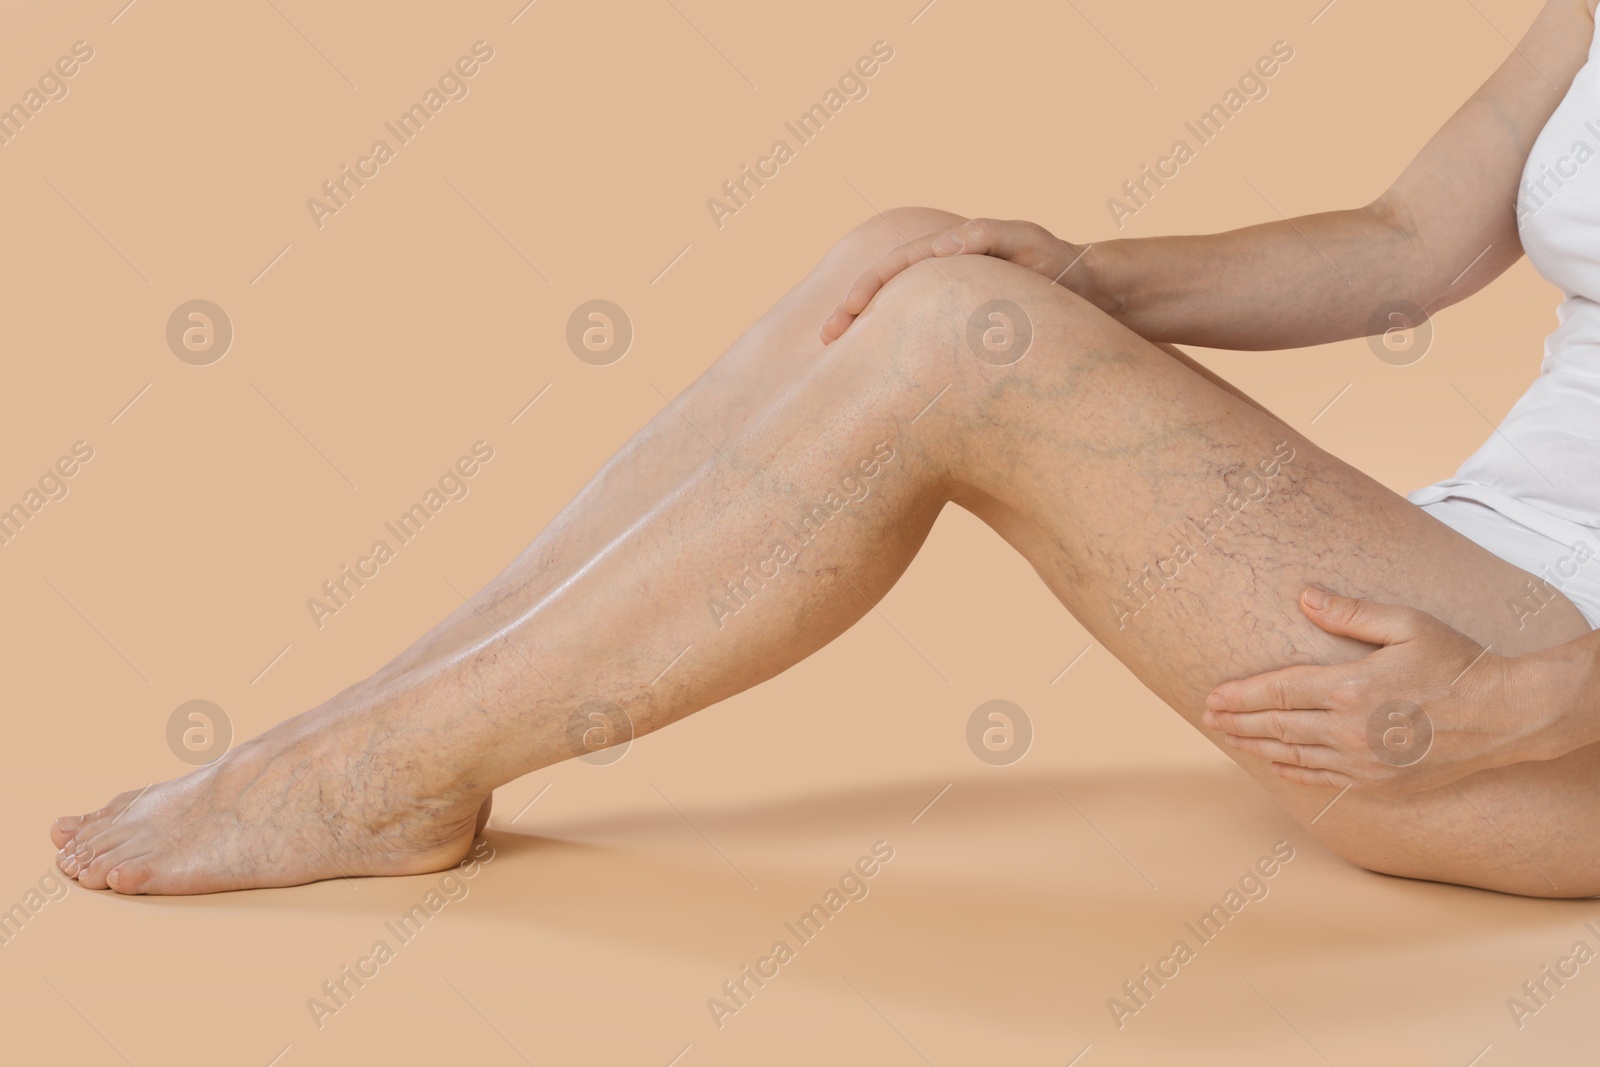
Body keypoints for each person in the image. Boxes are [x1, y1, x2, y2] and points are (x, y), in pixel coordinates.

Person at [52, 0, 1600, 897]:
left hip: (1549, 718)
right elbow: (1406, 244)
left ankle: (383, 777)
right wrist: (1086, 271)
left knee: (957, 347)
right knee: (917, 256)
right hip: (1472, 583)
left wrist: (1520, 708)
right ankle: (372, 731)